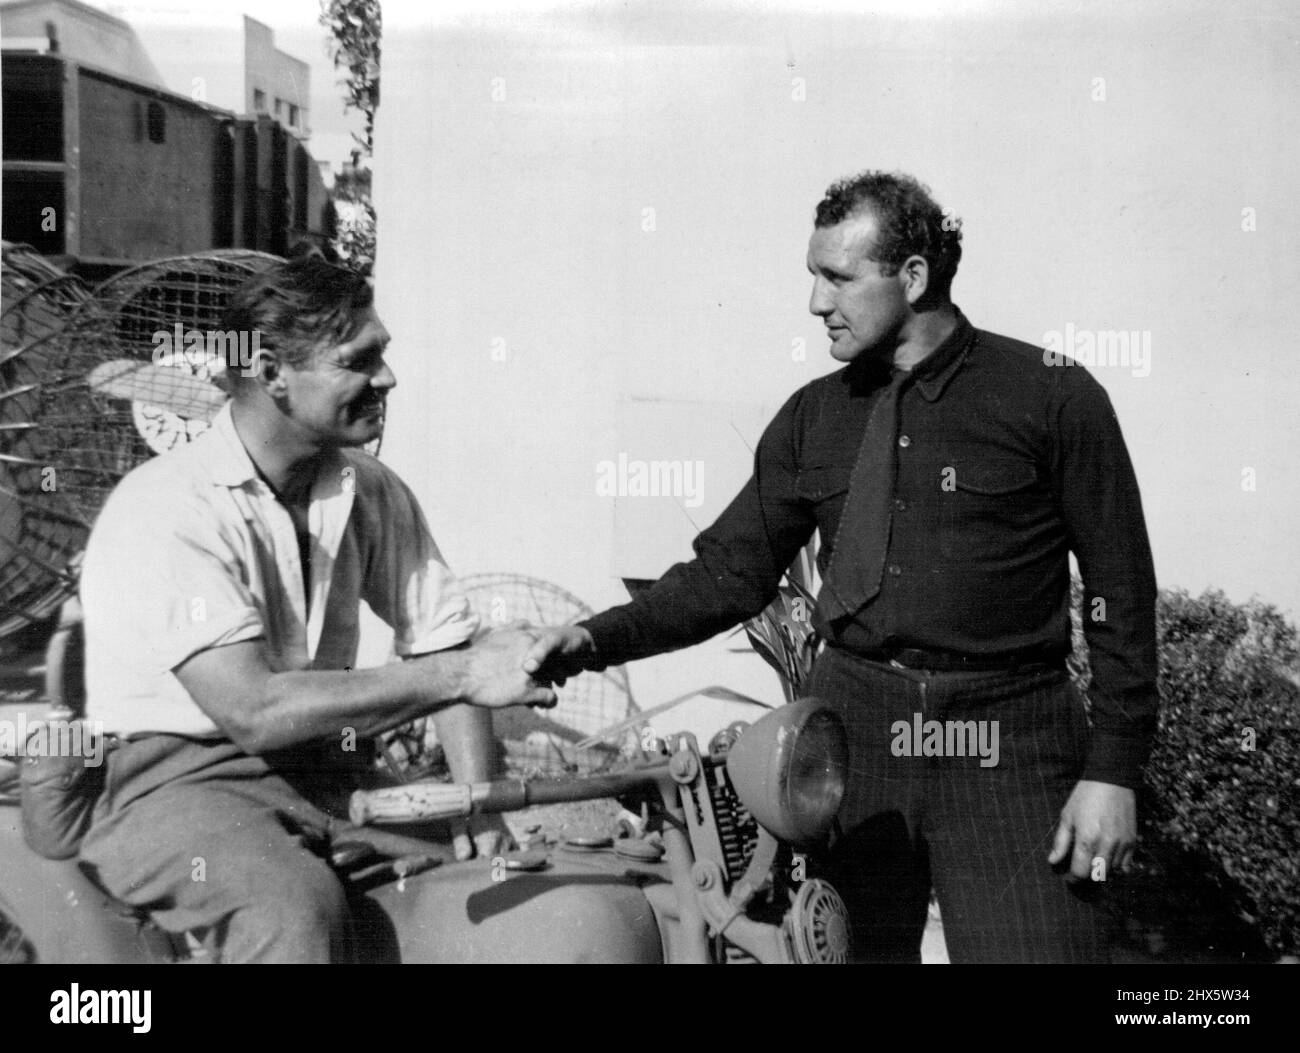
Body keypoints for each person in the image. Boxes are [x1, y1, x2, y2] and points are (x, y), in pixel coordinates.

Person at [526, 170, 1158, 964]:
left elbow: (1121, 591)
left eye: (838, 278)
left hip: (1010, 740)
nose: (816, 303)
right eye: (812, 277)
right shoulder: (813, 418)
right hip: (852, 743)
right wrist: (591, 639)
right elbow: (727, 573)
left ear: (915, 277)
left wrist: (1115, 771)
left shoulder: (1053, 398)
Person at [77, 257, 557, 963]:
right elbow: (255, 709)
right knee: (296, 911)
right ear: (272, 372)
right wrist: (459, 674)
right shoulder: (168, 506)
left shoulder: (367, 487)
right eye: (360, 361)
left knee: (483, 886)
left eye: (383, 355)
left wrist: (478, 804)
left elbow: (439, 638)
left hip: (329, 768)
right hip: (176, 784)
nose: (388, 378)